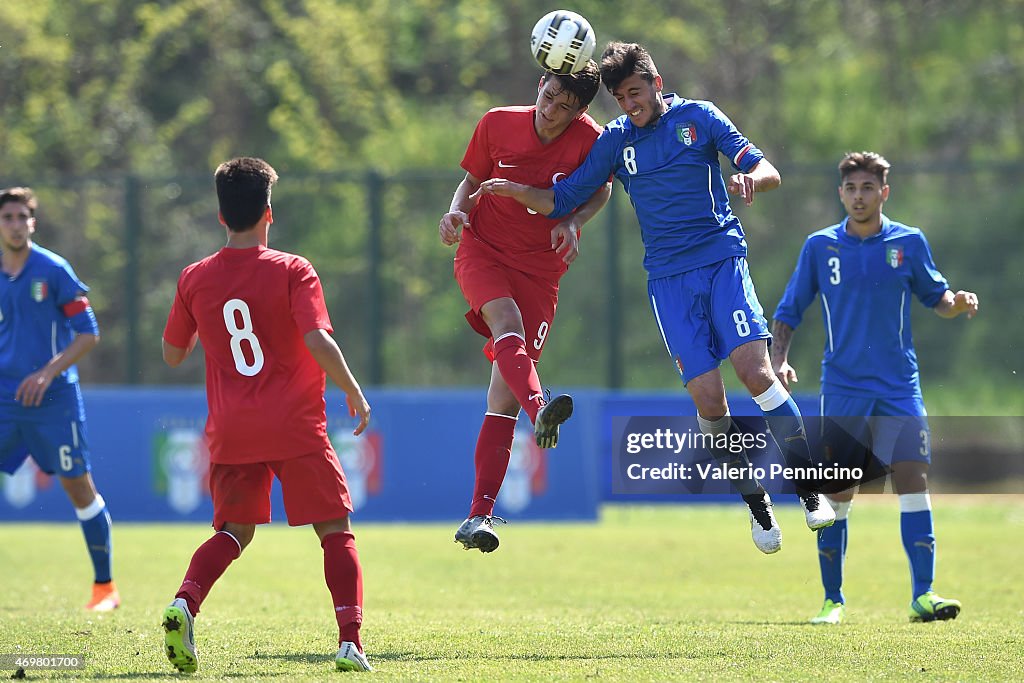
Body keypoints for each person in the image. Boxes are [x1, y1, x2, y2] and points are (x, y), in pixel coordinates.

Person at [474, 42, 834, 554]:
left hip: (720, 262)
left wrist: (748, 179)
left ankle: (808, 486)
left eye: (635, 93)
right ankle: (756, 502)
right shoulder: (617, 141)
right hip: (668, 281)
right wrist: (511, 189)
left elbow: (767, 170)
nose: (629, 105)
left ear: (656, 82)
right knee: (710, 402)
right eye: (620, 98)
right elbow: (564, 197)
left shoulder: (700, 118)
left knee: (757, 373)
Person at [160, 157, 373, 672]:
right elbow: (317, 338)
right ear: (268, 213)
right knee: (335, 529)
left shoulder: (194, 278)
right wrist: (354, 390)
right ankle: (350, 642)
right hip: (295, 424)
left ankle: (184, 603)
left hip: (232, 428)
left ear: (220, 216)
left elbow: (172, 354)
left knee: (233, 532)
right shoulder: (293, 270)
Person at [771, 151, 978, 624]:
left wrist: (956, 302)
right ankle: (832, 600)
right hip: (843, 386)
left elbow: (937, 298)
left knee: (912, 479)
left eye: (868, 188)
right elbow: (788, 312)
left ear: (884, 192)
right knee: (839, 491)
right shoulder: (819, 247)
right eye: (851, 189)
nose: (859, 197)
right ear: (840, 193)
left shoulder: (909, 242)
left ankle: (923, 595)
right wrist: (778, 360)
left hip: (898, 386)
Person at [440, 62, 612, 553]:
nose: (552, 110)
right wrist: (456, 213)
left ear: (580, 110)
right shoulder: (497, 122)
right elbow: (470, 182)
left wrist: (575, 220)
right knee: (506, 325)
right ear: (540, 83)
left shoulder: (589, 140)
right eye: (550, 95)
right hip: (484, 251)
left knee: (503, 399)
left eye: (566, 106)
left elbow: (601, 188)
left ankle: (478, 516)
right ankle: (543, 405)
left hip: (541, 271)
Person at [0, 187, 119, 612]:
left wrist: (47, 372)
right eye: (7, 217)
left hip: (54, 401)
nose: (15, 224)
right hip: (4, 399)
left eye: (21, 217)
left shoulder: (53, 271)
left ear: (32, 222)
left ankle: (105, 588)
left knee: (78, 487)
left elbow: (88, 333)